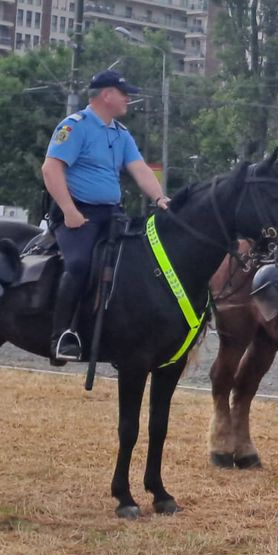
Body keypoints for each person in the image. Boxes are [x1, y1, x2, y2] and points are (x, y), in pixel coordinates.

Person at [42, 70, 170, 364]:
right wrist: (69, 211)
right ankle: (60, 336)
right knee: (78, 264)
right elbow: (51, 169)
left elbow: (139, 169)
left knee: (138, 262)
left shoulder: (120, 133)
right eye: (124, 93)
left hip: (112, 214)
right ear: (106, 95)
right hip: (78, 214)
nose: (129, 98)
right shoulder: (75, 127)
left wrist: (160, 198)